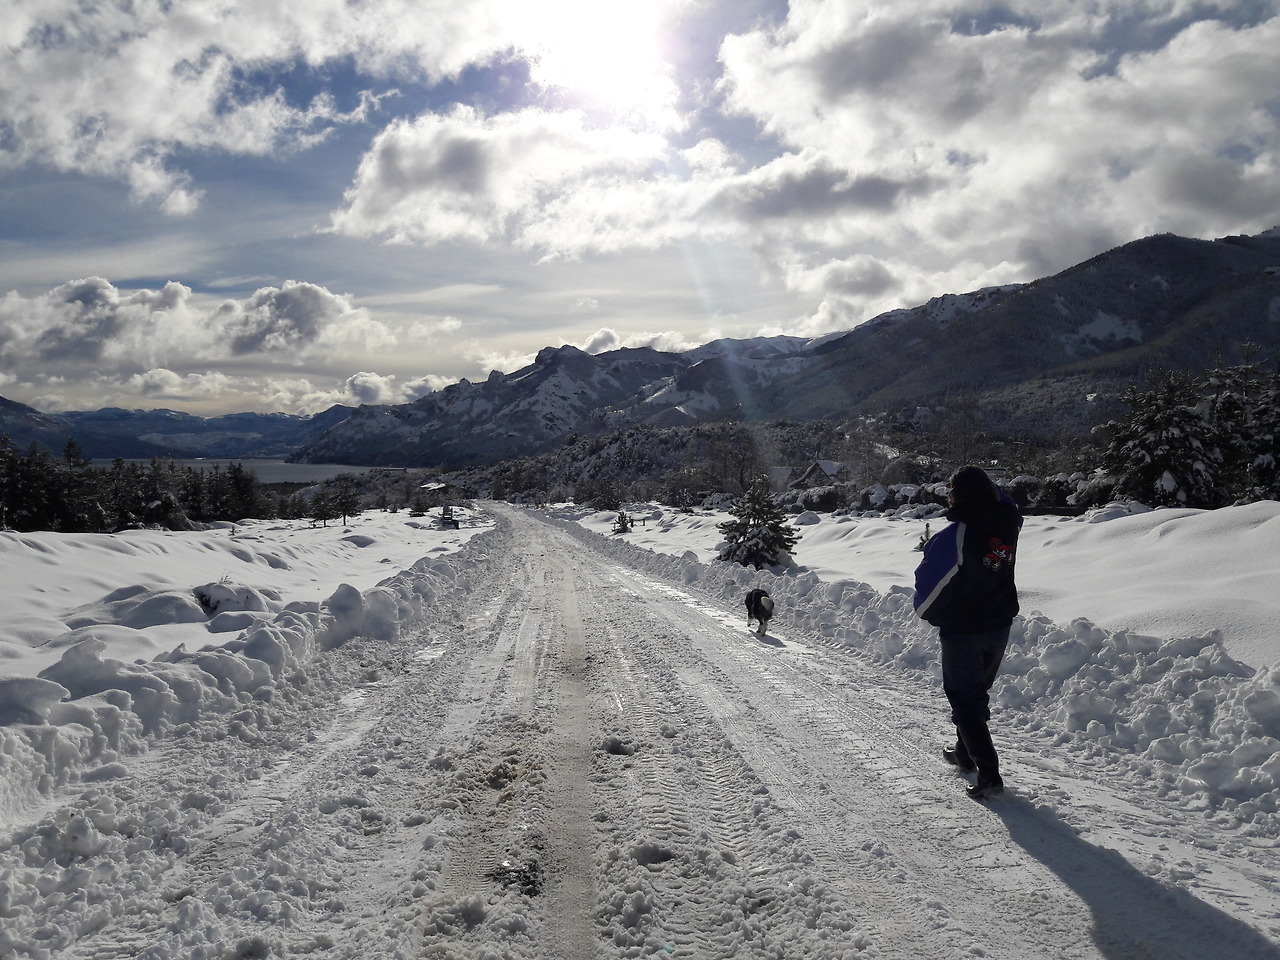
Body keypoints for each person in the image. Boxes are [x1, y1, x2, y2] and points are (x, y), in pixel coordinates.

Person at [913, 466, 1022, 800]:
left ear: (959, 496)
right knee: (977, 693)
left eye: (950, 491)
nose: (947, 496)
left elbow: (928, 590)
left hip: (964, 631)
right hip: (999, 624)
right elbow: (1006, 500)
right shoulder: (1010, 522)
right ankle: (964, 755)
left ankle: (989, 775)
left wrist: (929, 614)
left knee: (964, 699)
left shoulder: (953, 537)